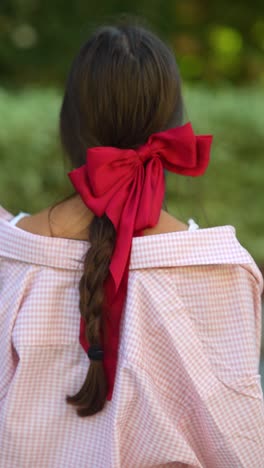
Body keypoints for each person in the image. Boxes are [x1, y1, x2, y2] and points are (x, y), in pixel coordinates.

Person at [0, 22, 263, 468]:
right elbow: (241, 442)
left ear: (69, 125)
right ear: (174, 128)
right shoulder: (220, 271)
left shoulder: (9, 257)